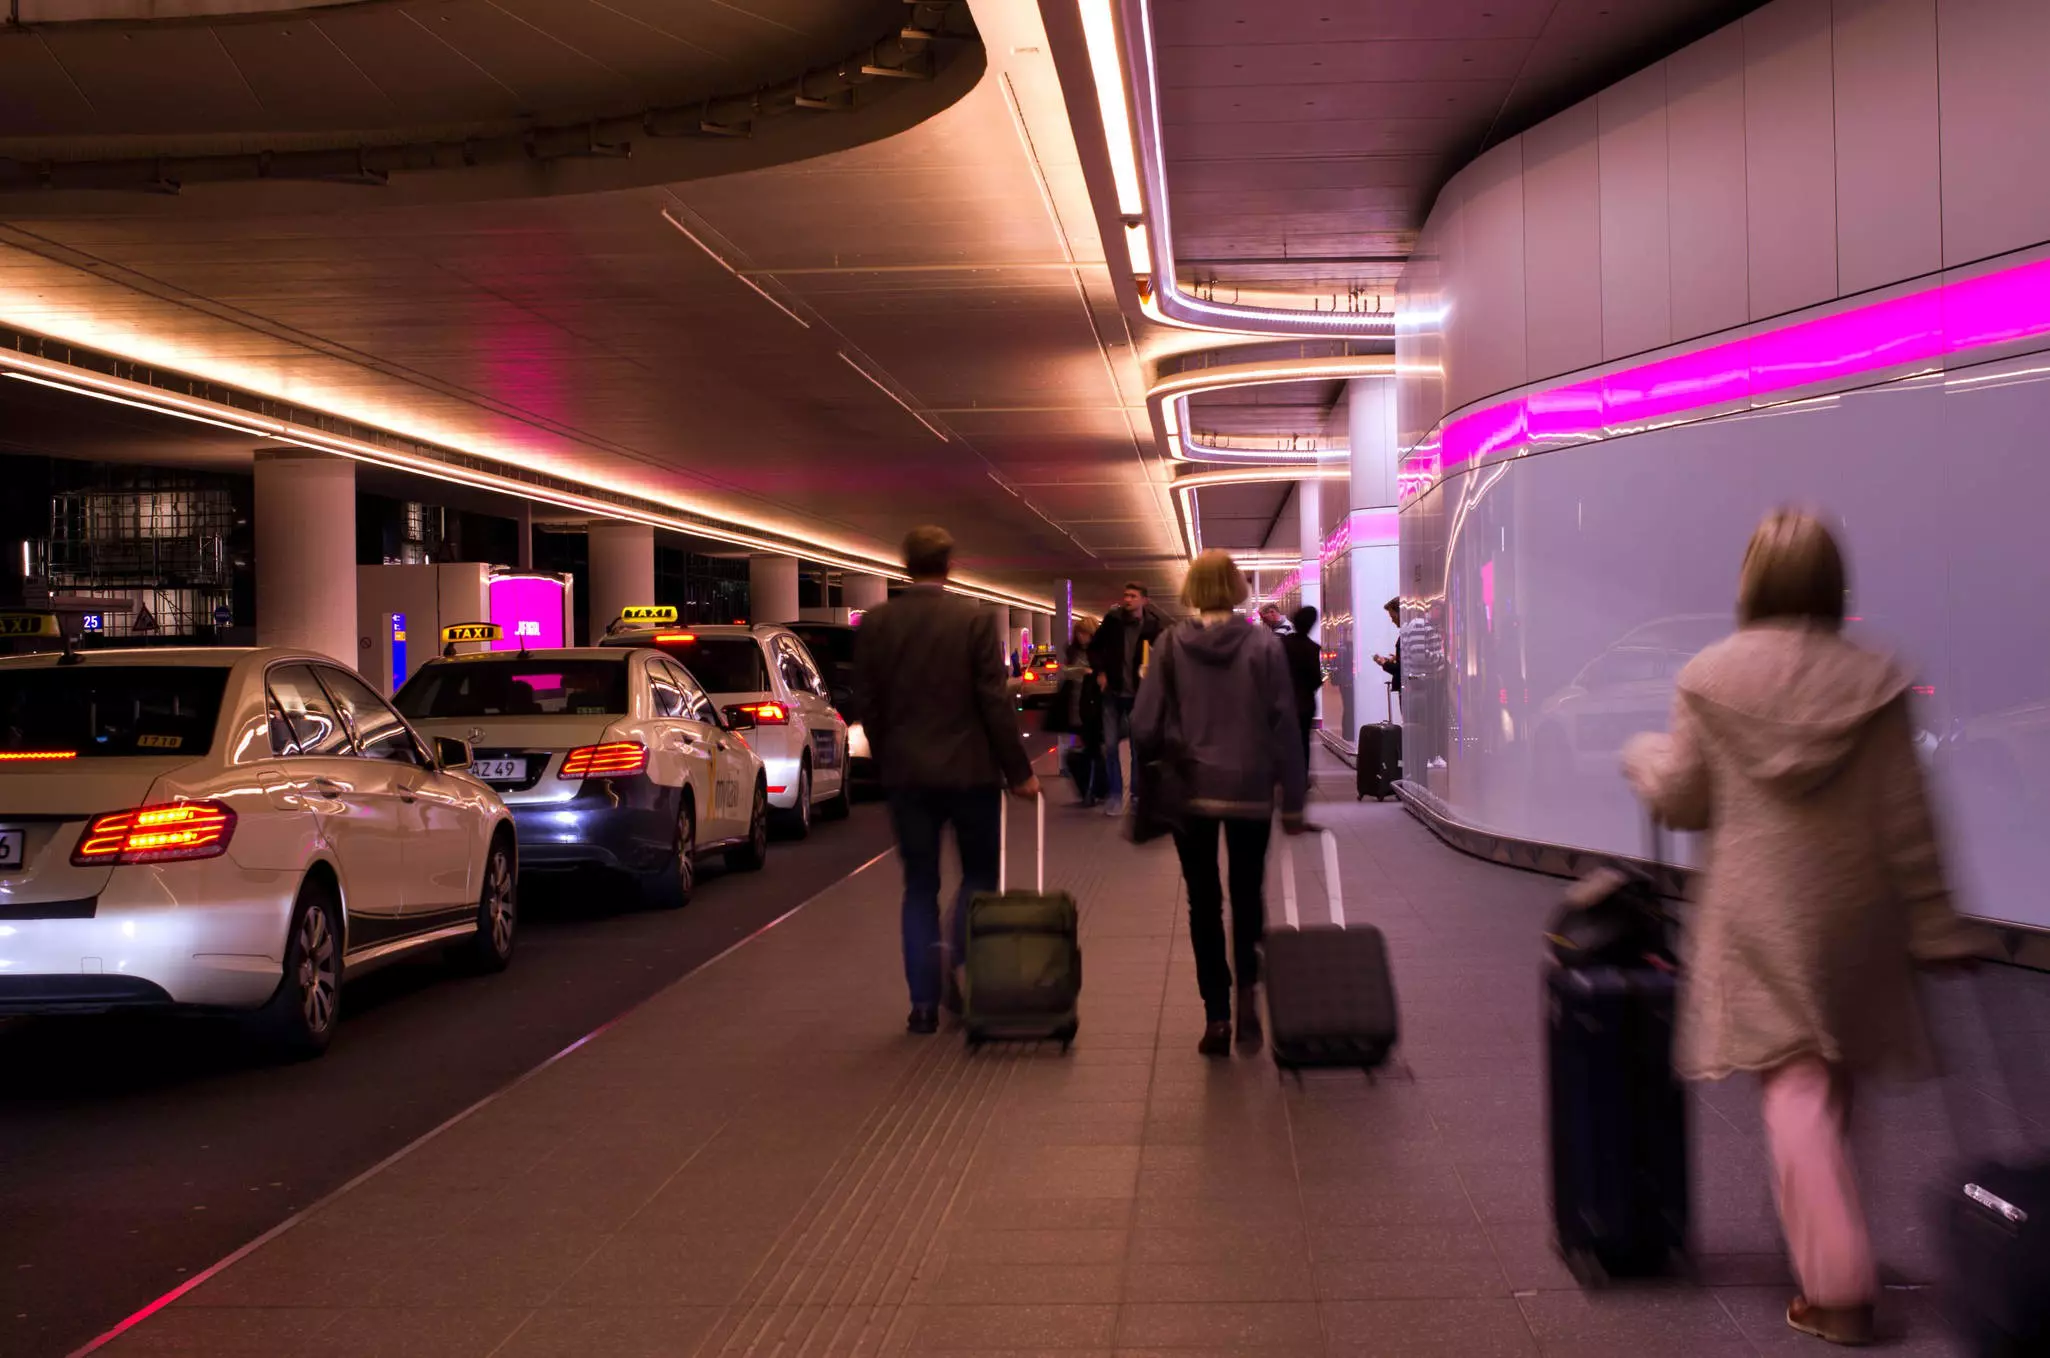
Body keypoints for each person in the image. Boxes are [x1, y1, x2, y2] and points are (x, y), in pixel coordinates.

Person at [1620, 509, 1984, 1347]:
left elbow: (1683, 800)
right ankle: (1819, 1245)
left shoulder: (1708, 678)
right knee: (1830, 1082)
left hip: (1762, 914)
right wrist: (1934, 925)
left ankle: (1838, 1285)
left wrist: (1642, 757)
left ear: (1753, 580)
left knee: (1795, 1089)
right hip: (1856, 913)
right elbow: (1908, 819)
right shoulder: (1877, 680)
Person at [853, 525, 1041, 1036]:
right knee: (979, 875)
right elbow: (993, 702)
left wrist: (889, 757)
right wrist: (1019, 772)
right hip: (971, 774)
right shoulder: (972, 621)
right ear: (949, 565)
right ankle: (954, 952)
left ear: (905, 565)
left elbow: (867, 702)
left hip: (907, 777)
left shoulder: (877, 623)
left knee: (919, 885)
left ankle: (922, 1006)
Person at [1133, 550, 1309, 1057]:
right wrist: (1293, 800)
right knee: (1248, 894)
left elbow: (1142, 725)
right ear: (1236, 589)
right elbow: (1287, 723)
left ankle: (1216, 1015)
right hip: (1251, 789)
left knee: (1203, 902)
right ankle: (1248, 992)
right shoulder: (1264, 645)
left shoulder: (1169, 645)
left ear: (1192, 589)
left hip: (1191, 792)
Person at [1088, 581, 1164, 815]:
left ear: (1144, 600)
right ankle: (1114, 795)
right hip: (1112, 693)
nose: (1127, 599)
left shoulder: (1153, 626)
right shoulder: (1113, 621)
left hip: (1138, 695)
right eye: (1126, 595)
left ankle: (1137, 795)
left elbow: (1161, 657)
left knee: (1137, 748)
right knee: (1110, 746)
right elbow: (1094, 648)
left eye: (1133, 596)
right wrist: (1101, 671)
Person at [1056, 618, 1106, 804]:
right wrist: (1081, 670)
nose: (1081, 637)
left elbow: (1100, 674)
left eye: (1085, 633)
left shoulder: (1098, 653)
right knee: (1087, 750)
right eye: (1079, 633)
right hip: (1075, 705)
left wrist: (1091, 673)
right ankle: (1092, 789)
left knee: (1093, 750)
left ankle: (1093, 791)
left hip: (1092, 706)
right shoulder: (1073, 651)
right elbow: (1065, 671)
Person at [1280, 605, 1323, 767]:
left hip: (1281, 702)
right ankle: (1301, 773)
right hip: (1304, 703)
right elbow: (1315, 679)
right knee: (1303, 742)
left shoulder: (1281, 644)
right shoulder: (1312, 648)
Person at [1372, 596, 1402, 707]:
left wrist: (1384, 663)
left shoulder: (1405, 636)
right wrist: (1397, 658)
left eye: (1393, 616)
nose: (1392, 621)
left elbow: (1401, 669)